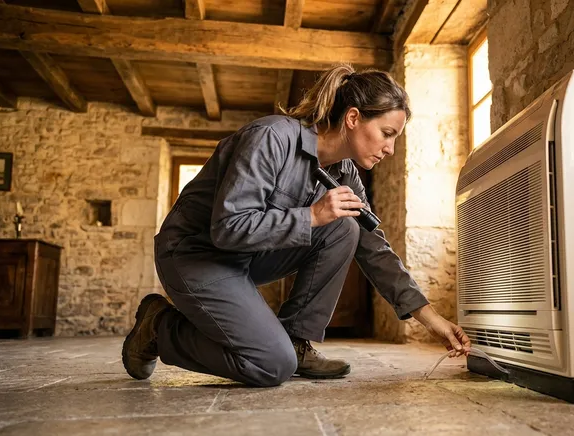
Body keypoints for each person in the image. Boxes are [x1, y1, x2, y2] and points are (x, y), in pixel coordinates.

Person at [121, 64, 471, 387]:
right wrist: (312, 216)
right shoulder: (271, 137)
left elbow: (373, 247)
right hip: (193, 254)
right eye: (387, 133)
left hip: (245, 258)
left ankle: (295, 340)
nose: (390, 149)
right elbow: (228, 227)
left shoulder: (345, 173)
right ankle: (159, 327)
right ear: (353, 118)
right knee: (271, 365)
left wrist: (431, 319)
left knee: (346, 228)